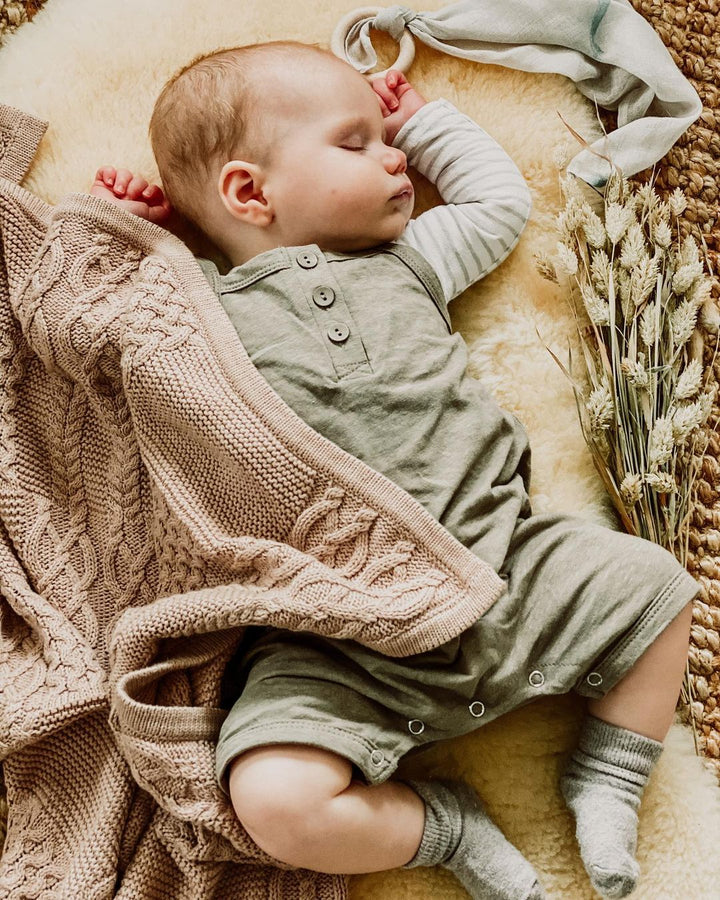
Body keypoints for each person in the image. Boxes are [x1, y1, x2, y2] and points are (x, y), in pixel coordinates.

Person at [90, 40, 698, 900]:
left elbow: (498, 202)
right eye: (357, 142)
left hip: (505, 567)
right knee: (271, 799)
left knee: (659, 588)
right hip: (339, 637)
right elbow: (109, 336)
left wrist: (427, 118)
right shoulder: (200, 312)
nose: (395, 156)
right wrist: (142, 237)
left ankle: (608, 774)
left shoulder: (410, 260)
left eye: (390, 137)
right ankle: (438, 828)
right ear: (248, 192)